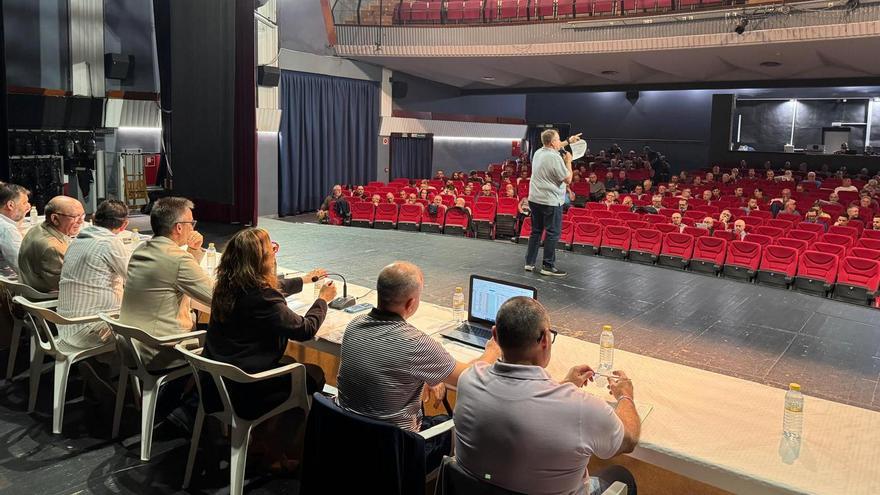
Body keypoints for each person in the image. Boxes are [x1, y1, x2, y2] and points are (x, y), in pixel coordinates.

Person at [455, 297, 639, 495]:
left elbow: (526, 405)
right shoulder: (582, 408)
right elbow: (628, 440)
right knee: (621, 476)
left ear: (494, 336)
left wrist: (564, 386)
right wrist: (625, 396)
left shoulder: (468, 380)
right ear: (544, 339)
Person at [336, 262, 501, 470]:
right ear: (411, 303)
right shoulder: (416, 344)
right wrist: (492, 351)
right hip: (397, 453)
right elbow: (470, 377)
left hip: (349, 440)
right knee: (455, 425)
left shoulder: (354, 325)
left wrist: (431, 374)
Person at [203, 228, 334, 466]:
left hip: (215, 383)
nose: (274, 253)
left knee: (291, 364)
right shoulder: (263, 297)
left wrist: (305, 280)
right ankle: (275, 453)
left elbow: (272, 286)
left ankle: (262, 440)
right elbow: (305, 329)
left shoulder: (226, 284)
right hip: (243, 390)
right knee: (311, 375)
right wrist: (323, 300)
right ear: (261, 260)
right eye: (270, 250)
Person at [118, 197, 213, 371]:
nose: (193, 228)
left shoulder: (141, 248)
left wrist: (193, 250)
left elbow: (175, 275)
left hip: (129, 345)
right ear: (179, 227)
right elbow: (214, 297)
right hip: (159, 350)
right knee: (218, 340)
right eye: (191, 223)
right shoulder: (177, 259)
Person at [57, 200, 130, 348]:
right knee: (149, 319)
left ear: (94, 217)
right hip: (90, 329)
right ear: (124, 225)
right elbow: (134, 279)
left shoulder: (77, 240)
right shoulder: (110, 242)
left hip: (65, 327)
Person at [524, 130, 581, 277]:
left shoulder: (538, 152)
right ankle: (548, 266)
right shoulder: (555, 157)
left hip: (535, 199)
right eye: (558, 139)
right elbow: (568, 179)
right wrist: (568, 161)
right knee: (552, 233)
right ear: (552, 142)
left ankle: (529, 263)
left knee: (536, 231)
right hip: (550, 201)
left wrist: (569, 141)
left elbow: (556, 146)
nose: (559, 141)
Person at [18, 195, 85, 293]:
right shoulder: (52, 247)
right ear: (55, 219)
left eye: (82, 215)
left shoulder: (37, 228)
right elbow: (69, 284)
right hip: (47, 297)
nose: (81, 221)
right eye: (75, 217)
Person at [0, 184, 31, 277]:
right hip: (7, 281)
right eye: (24, 203)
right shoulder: (7, 229)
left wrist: (22, 213)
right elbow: (23, 267)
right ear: (10, 205)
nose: (28, 206)